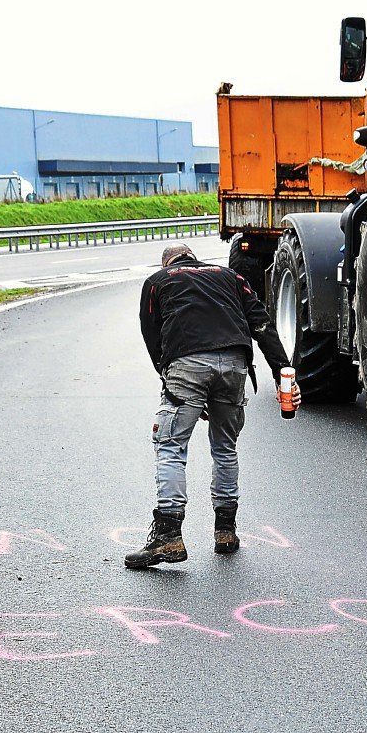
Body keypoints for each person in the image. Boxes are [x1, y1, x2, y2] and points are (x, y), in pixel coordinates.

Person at [128, 243, 300, 569]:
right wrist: (283, 376)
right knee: (225, 448)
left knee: (170, 445)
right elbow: (262, 326)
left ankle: (168, 535)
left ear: (168, 262)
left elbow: (153, 340)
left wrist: (172, 382)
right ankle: (225, 532)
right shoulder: (230, 276)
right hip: (235, 364)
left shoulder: (158, 281)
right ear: (194, 256)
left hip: (186, 363)